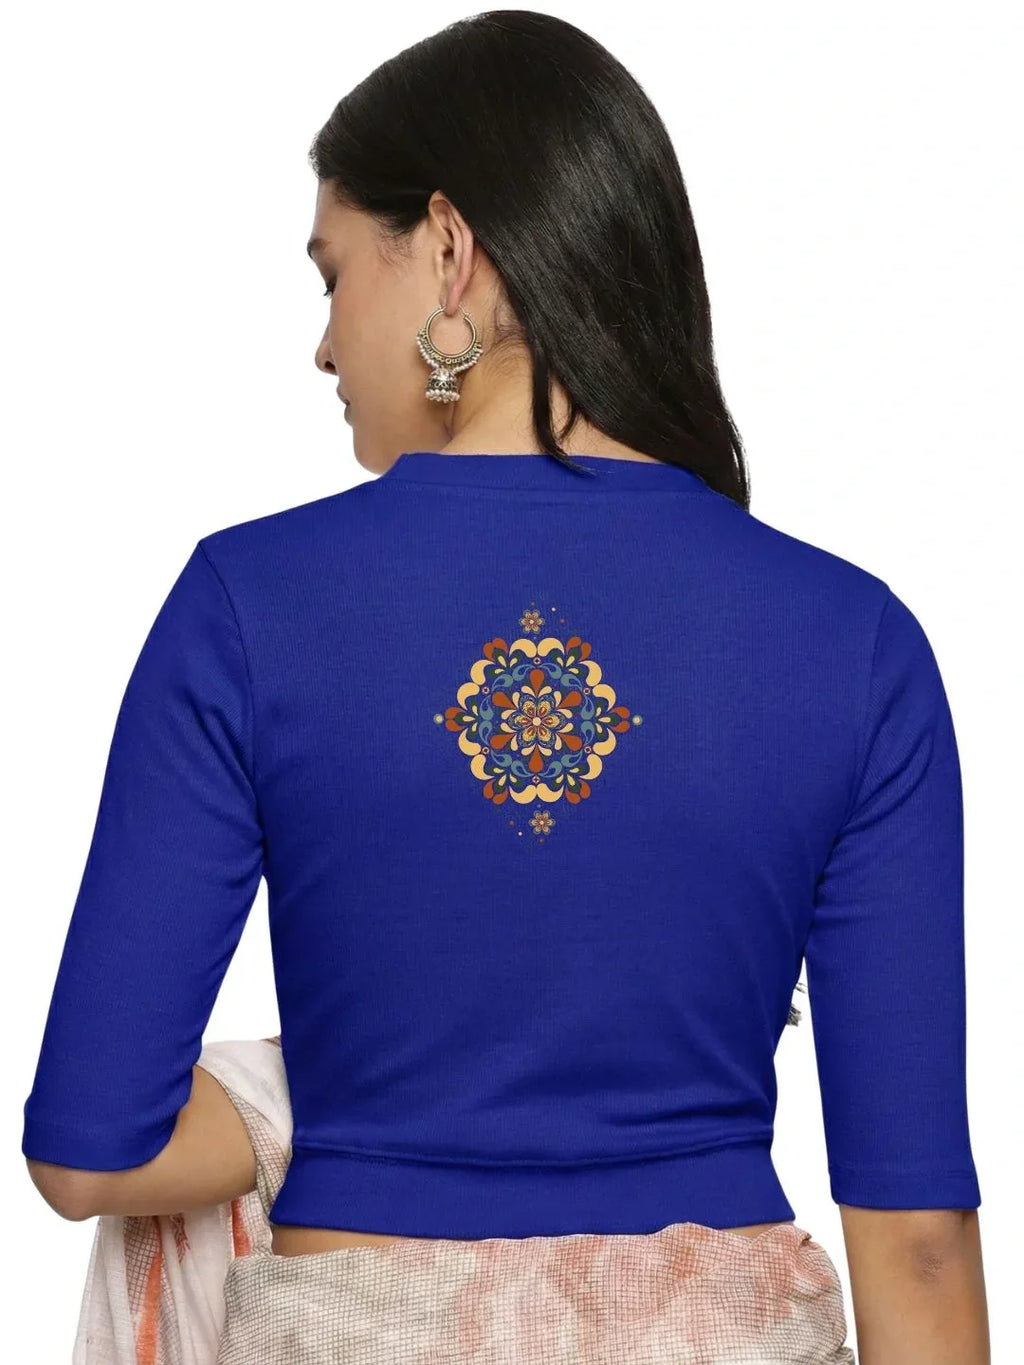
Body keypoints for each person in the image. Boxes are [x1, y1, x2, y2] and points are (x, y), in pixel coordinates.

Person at [21, 10, 988, 1364]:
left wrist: (296, 1102)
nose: (323, 346)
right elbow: (920, 1243)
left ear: (450, 250)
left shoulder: (250, 605)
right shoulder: (856, 641)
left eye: (332, 276)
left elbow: (89, 1152)